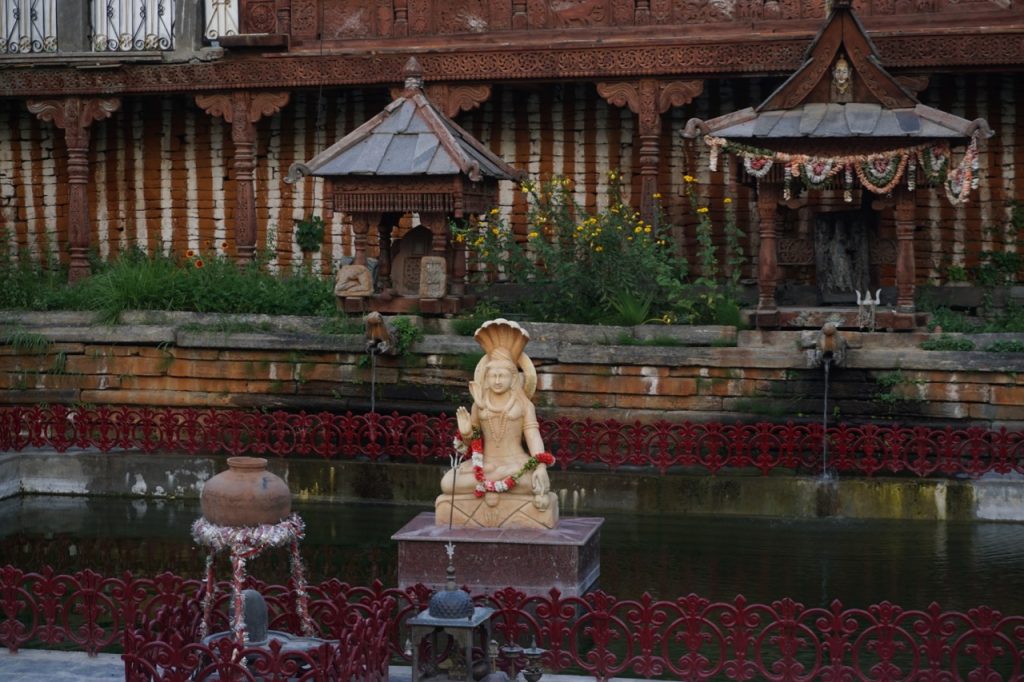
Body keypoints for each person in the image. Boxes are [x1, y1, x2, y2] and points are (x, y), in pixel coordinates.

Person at [441, 319, 552, 510]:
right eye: (493, 375)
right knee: (447, 482)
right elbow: (471, 444)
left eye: (503, 376)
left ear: (514, 378)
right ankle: (494, 484)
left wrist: (540, 466)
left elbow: (533, 436)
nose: (497, 381)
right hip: (485, 464)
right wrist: (466, 432)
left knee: (531, 479)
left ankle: (491, 485)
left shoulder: (524, 405)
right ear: (485, 377)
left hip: (515, 464)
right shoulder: (480, 404)